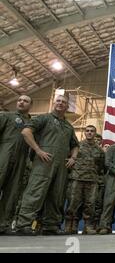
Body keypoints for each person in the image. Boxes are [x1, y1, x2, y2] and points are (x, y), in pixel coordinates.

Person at [16, 95, 79, 235]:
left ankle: (51, 226)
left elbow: (75, 145)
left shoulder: (68, 126)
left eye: (64, 102)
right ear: (53, 103)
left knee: (57, 195)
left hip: (61, 166)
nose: (60, 103)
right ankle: (24, 224)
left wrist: (73, 158)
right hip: (43, 163)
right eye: (58, 101)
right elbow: (26, 132)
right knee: (35, 192)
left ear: (67, 107)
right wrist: (38, 150)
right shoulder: (44, 118)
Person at [0, 95, 32, 235]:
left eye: (25, 101)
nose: (21, 102)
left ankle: (4, 224)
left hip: (21, 159)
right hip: (4, 154)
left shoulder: (32, 122)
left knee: (12, 193)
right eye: (19, 100)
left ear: (30, 105)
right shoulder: (7, 116)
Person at [65, 125, 104, 235]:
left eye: (92, 131)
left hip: (92, 180)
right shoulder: (77, 146)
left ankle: (88, 226)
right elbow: (69, 160)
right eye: (87, 131)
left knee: (90, 204)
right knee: (73, 203)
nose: (89, 133)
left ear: (95, 133)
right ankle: (70, 224)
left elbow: (101, 166)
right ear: (85, 133)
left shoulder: (99, 150)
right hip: (77, 178)